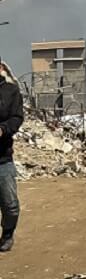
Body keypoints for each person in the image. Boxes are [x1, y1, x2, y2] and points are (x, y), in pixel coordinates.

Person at [0, 57, 24, 252]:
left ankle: (7, 234)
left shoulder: (11, 91)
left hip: (2, 158)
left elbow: (17, 117)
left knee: (10, 204)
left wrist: (3, 129)